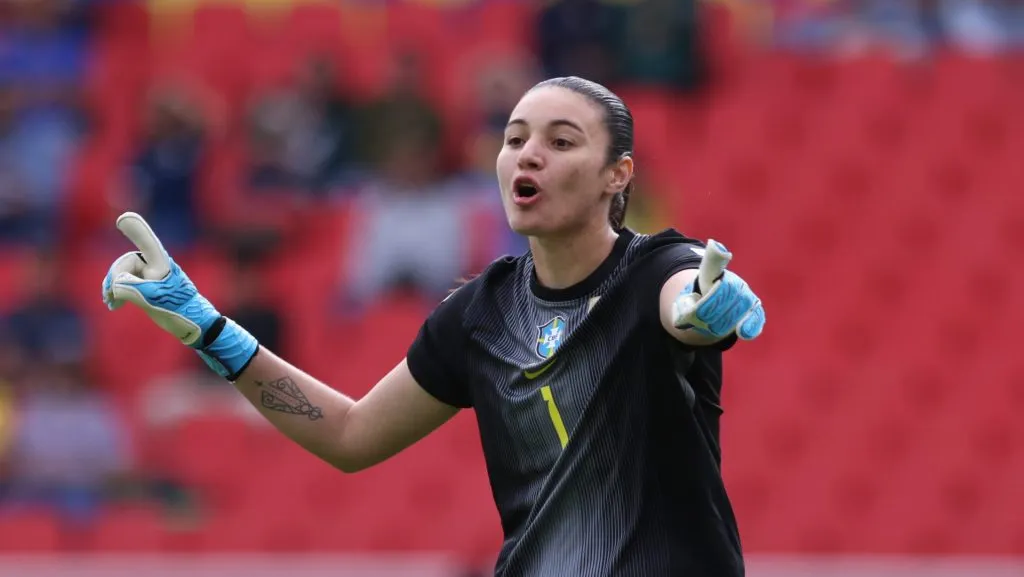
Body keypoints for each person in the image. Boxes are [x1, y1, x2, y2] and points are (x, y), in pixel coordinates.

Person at [102, 76, 766, 577]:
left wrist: (709, 305)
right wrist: (207, 327)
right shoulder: (480, 313)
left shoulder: (657, 271)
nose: (527, 156)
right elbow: (349, 434)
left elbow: (689, 297)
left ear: (615, 175)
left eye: (561, 142)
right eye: (514, 139)